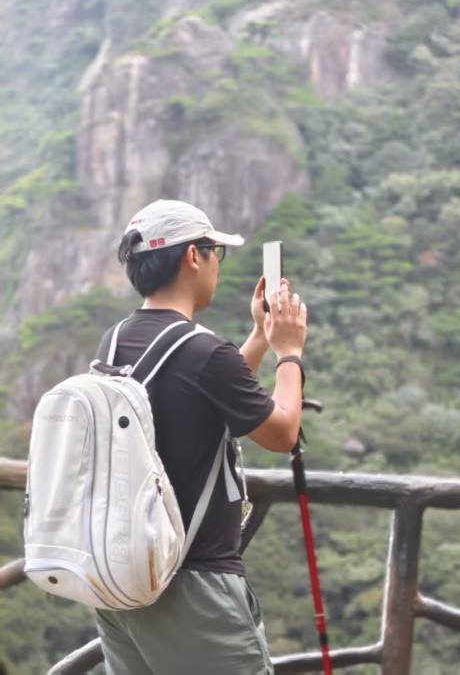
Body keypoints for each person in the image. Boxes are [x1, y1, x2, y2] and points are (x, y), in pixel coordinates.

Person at [94, 198, 307, 675]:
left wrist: (259, 335)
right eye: (216, 252)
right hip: (193, 587)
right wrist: (288, 352)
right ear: (194, 256)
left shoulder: (115, 339)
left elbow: (202, 395)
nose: (217, 264)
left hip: (122, 579)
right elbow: (283, 433)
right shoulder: (205, 352)